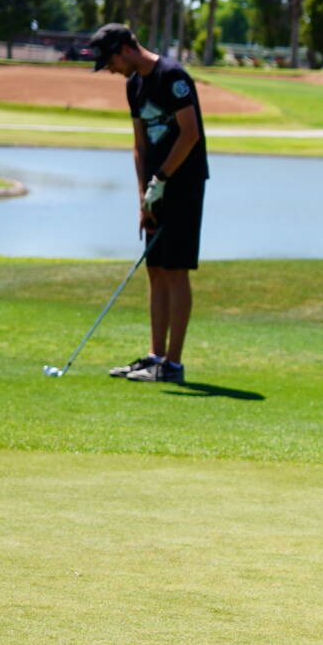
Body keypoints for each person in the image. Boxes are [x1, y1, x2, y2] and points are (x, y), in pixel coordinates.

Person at [82, 23, 207, 384]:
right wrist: (144, 195)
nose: (109, 68)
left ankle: (173, 364)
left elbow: (190, 134)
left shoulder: (173, 76)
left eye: (110, 60)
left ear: (125, 49)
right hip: (155, 188)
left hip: (183, 184)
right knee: (155, 269)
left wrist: (162, 179)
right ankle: (155, 357)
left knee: (176, 269)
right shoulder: (133, 85)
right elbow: (140, 144)